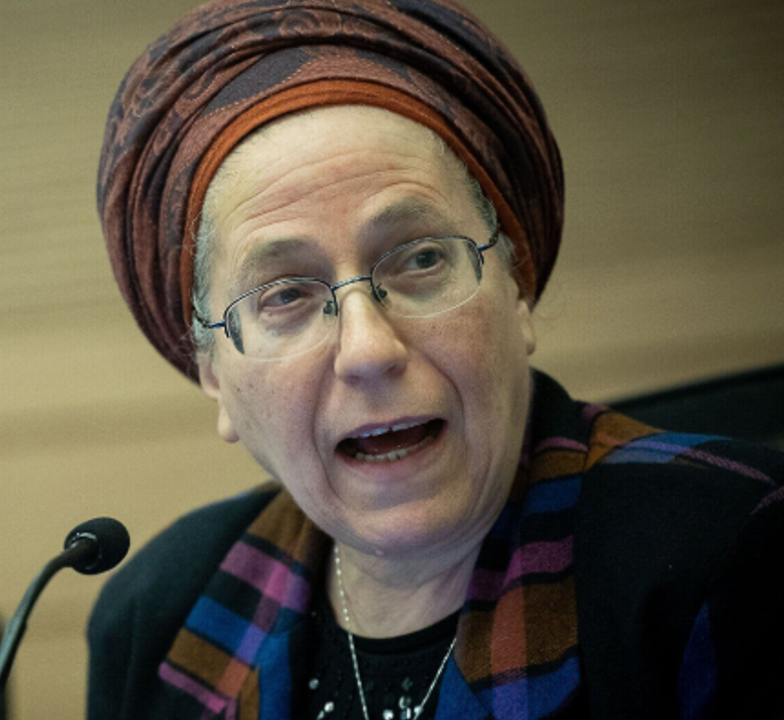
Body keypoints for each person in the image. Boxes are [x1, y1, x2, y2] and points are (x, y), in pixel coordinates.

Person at [86, 1, 784, 719]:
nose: (369, 349)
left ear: (516, 284)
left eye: (421, 259)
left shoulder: (735, 556)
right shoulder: (155, 617)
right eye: (286, 295)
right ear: (214, 375)